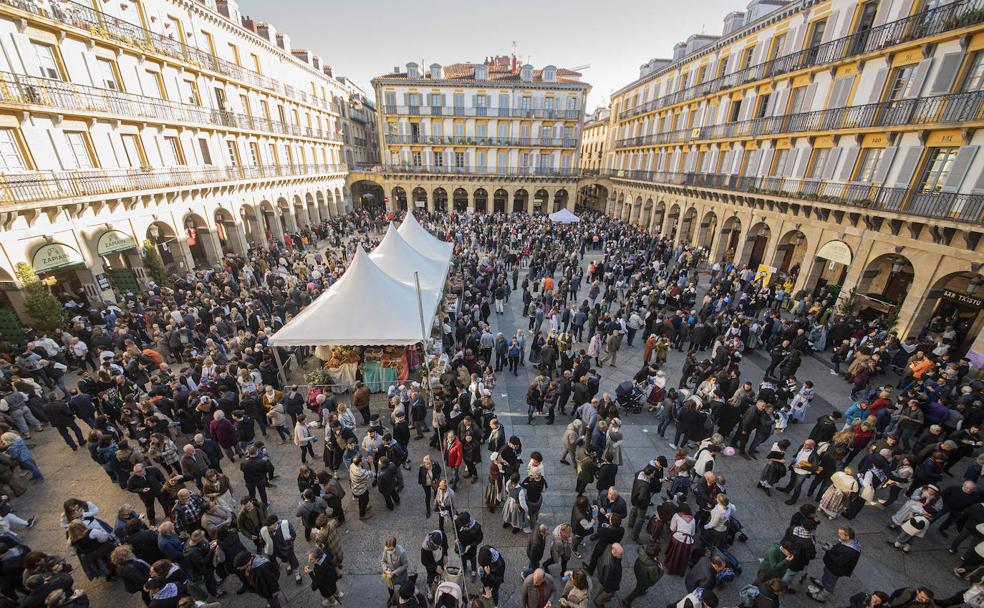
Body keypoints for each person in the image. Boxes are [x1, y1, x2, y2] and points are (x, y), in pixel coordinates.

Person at [807, 526, 861, 602]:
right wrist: (832, 547)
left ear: (847, 536)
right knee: (826, 575)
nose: (838, 534)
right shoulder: (851, 542)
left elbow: (839, 561)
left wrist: (828, 550)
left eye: (840, 533)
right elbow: (839, 548)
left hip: (835, 570)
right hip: (831, 566)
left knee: (830, 583)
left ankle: (821, 597)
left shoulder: (850, 551)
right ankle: (823, 583)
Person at [260, 514, 302, 585]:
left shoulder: (285, 524)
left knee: (293, 560)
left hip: (287, 547)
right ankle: (289, 566)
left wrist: (290, 543)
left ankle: (297, 574)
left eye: (269, 526)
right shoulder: (265, 530)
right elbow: (263, 540)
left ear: (274, 523)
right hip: (277, 550)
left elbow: (293, 534)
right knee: (284, 559)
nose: (268, 528)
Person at [624, 542, 663, 607]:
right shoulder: (653, 567)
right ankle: (627, 600)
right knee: (639, 589)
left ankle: (641, 589)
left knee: (640, 584)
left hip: (637, 569)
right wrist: (661, 570)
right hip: (645, 579)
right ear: (656, 554)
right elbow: (654, 579)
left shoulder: (642, 551)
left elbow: (639, 548)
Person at [380, 536, 409, 604]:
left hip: (400, 574)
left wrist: (394, 573)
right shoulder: (386, 549)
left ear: (395, 546)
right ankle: (391, 597)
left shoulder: (402, 552)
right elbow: (383, 561)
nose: (388, 551)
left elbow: (405, 565)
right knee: (390, 587)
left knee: (404, 587)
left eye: (391, 549)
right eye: (387, 549)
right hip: (389, 574)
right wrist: (386, 570)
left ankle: (403, 598)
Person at [594, 542, 624, 607]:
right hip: (610, 586)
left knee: (602, 590)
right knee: (606, 594)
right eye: (621, 554)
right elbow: (607, 580)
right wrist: (608, 590)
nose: (622, 555)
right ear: (615, 552)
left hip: (606, 581)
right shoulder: (611, 566)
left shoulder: (610, 553)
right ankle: (598, 603)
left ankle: (598, 598)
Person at [349, 454, 373, 519]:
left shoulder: (352, 465)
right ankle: (362, 515)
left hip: (355, 487)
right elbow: (373, 473)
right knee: (363, 502)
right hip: (361, 490)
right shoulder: (361, 472)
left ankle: (364, 507)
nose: (363, 459)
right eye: (362, 459)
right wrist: (371, 463)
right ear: (359, 463)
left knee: (364, 499)